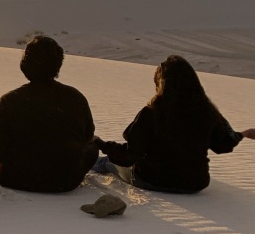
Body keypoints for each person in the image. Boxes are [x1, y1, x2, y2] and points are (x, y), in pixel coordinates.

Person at [94, 55, 255, 194]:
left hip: (153, 180)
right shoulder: (207, 112)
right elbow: (224, 143)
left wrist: (101, 144)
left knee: (107, 162)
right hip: (195, 183)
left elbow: (130, 155)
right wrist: (245, 133)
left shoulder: (152, 112)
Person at [0, 36, 98, 192]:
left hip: (18, 178)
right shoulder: (76, 97)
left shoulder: (10, 101)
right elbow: (88, 136)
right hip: (68, 180)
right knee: (94, 146)